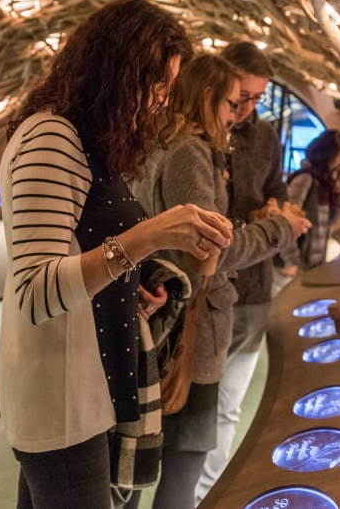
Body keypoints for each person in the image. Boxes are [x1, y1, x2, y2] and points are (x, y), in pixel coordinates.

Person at [0, 0, 234, 509]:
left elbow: (83, 260)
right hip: (59, 396)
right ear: (117, 72)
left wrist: (128, 294)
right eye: (157, 85)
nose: (162, 101)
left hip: (87, 382)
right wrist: (149, 235)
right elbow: (36, 291)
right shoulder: (51, 139)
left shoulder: (85, 142)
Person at [130, 55, 311, 509]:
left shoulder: (161, 144)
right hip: (189, 322)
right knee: (185, 459)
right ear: (209, 97)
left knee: (137, 462)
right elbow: (211, 249)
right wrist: (280, 228)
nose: (237, 112)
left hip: (164, 315)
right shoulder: (190, 151)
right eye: (234, 101)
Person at [195, 42, 301, 503]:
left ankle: (204, 497)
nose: (246, 107)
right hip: (202, 294)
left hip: (252, 286)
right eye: (240, 96)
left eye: (256, 98)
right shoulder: (195, 138)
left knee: (227, 407)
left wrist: (274, 212)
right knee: (190, 410)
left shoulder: (267, 137)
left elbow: (276, 189)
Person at [287, 129, 340, 268]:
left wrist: (339, 194)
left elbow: (330, 220)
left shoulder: (324, 184)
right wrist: (292, 261)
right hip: (300, 262)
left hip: (315, 260)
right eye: (339, 157)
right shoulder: (306, 179)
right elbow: (287, 220)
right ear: (327, 155)